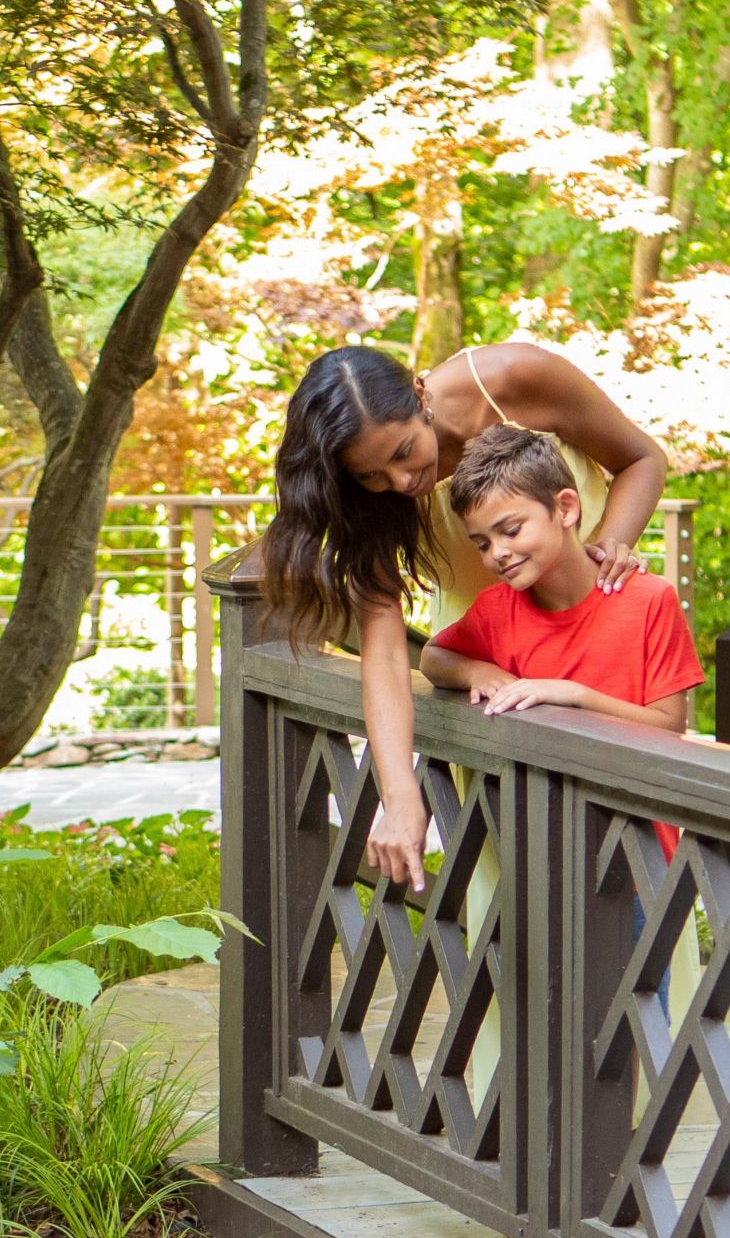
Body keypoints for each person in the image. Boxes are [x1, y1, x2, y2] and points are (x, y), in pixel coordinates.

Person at [256, 340, 672, 892]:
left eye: (405, 451)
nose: (401, 483)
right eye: (372, 476)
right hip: (486, 654)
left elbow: (643, 459)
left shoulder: (516, 378)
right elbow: (383, 650)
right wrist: (399, 796)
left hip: (597, 623)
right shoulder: (375, 496)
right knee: (516, 879)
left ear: (420, 395)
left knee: (625, 865)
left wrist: (610, 549)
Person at [420, 425, 705, 737]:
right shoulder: (495, 609)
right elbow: (433, 657)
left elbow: (670, 725)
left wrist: (575, 696)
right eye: (483, 544)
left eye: (512, 530)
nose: (497, 553)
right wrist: (478, 671)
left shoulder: (650, 599)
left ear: (566, 508)